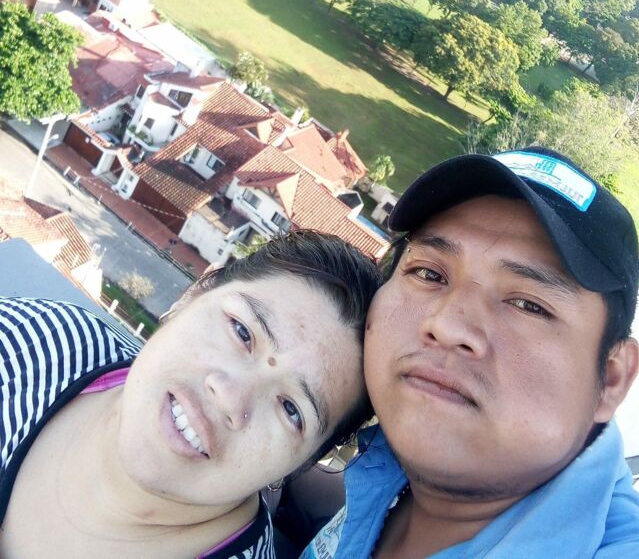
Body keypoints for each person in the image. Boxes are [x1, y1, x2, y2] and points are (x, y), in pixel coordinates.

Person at [303, 146, 639, 558]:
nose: (447, 326)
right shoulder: (397, 474)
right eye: (429, 273)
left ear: (612, 378)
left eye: (528, 305)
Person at [0, 230, 383, 558]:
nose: (230, 396)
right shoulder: (36, 339)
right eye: (242, 332)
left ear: (299, 464)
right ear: (194, 294)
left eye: (291, 410)